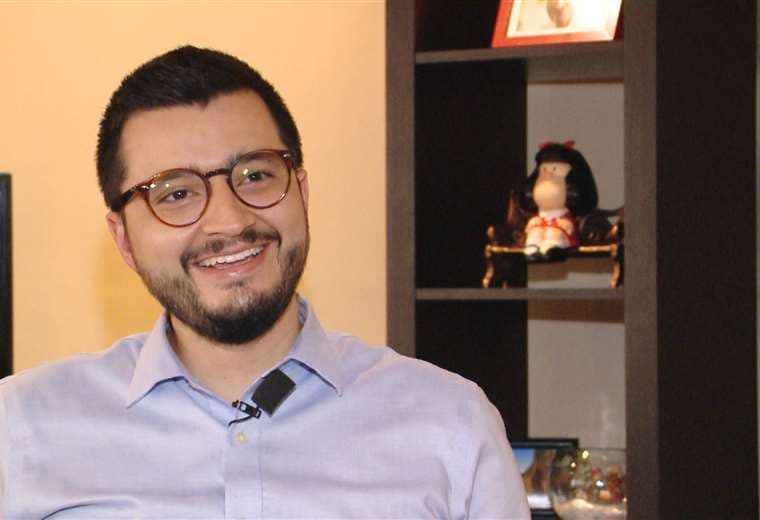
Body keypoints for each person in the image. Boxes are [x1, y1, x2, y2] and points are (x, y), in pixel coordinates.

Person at [0, 46, 529, 519]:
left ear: (301, 191)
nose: (229, 221)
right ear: (123, 239)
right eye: (176, 193)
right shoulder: (20, 427)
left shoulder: (452, 425)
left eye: (254, 176)